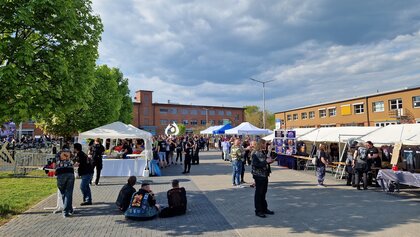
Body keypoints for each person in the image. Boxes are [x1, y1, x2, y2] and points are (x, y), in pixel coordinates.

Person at [251, 140, 275, 218]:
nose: (266, 145)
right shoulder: (255, 153)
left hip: (264, 175)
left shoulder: (263, 152)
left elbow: (266, 160)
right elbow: (255, 164)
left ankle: (264, 208)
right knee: (259, 193)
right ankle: (258, 211)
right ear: (261, 144)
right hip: (259, 176)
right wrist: (266, 162)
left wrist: (269, 161)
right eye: (265, 144)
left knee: (263, 193)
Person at [55, 145, 75, 217]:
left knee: (63, 192)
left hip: (61, 173)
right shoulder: (71, 154)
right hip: (70, 173)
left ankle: (65, 211)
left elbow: (56, 163)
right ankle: (69, 209)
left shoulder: (58, 154)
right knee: (68, 193)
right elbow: (74, 162)